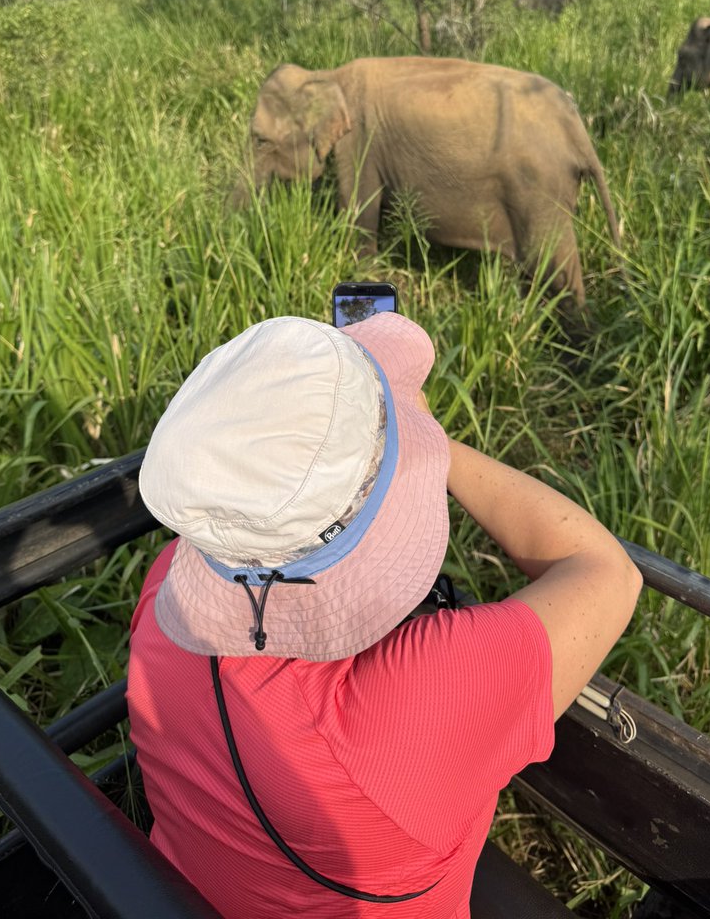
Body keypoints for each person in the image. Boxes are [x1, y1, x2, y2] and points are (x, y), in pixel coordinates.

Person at [127, 311, 642, 918]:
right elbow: (606, 570)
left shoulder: (166, 591)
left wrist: (395, 441)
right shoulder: (428, 687)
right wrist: (427, 441)